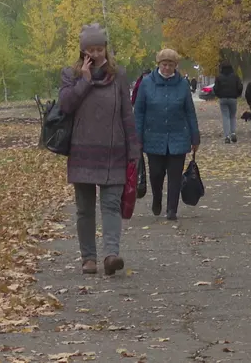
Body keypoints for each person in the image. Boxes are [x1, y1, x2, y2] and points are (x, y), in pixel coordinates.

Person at [60, 23, 140, 275]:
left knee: (111, 205)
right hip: (82, 151)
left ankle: (111, 255)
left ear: (106, 49)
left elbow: (127, 114)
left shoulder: (119, 75)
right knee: (85, 208)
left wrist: (134, 149)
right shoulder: (70, 75)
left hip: (113, 151)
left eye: (99, 49)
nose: (95, 54)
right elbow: (65, 106)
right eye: (90, 50)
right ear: (82, 52)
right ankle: (88, 258)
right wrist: (84, 81)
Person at [134, 48, 200, 221]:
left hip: (178, 136)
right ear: (158, 65)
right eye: (164, 64)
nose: (167, 68)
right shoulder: (147, 83)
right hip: (153, 136)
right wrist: (137, 137)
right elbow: (139, 112)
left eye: (171, 65)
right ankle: (157, 198)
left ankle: (172, 209)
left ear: (175, 66)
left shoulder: (183, 84)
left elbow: (190, 112)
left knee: (175, 175)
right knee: (156, 174)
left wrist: (195, 136)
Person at [213, 62, 243, 143]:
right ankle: (233, 133)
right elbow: (240, 86)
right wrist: (237, 94)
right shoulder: (235, 76)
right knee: (232, 116)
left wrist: (219, 95)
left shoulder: (219, 77)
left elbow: (215, 88)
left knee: (225, 117)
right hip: (233, 98)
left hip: (223, 99)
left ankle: (227, 136)